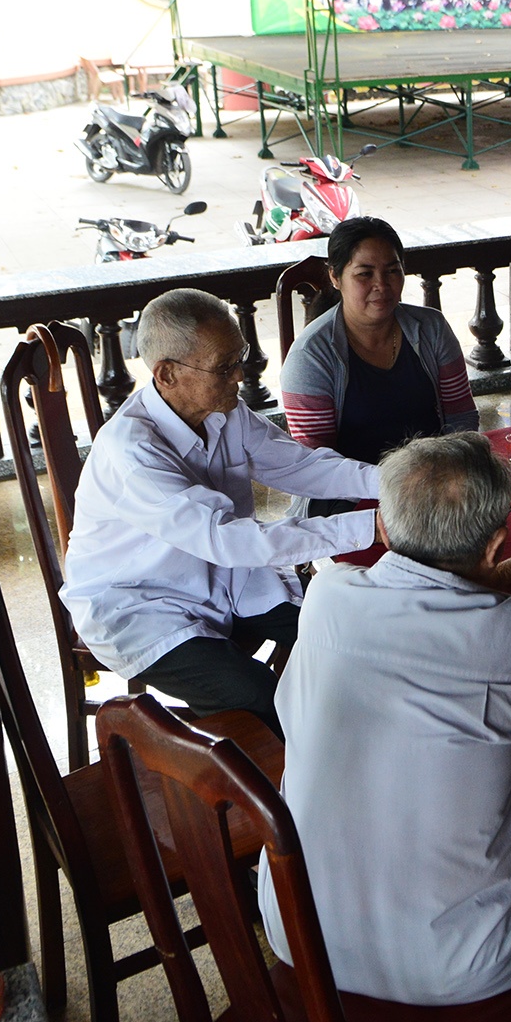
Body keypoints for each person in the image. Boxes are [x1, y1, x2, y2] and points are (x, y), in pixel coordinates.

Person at [266, 433, 511, 1022]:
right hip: (452, 963)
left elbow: (427, 615)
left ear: (384, 529)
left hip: (299, 928)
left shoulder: (327, 596)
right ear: (496, 543)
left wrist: (491, 581)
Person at [59, 287, 379, 736]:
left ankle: (357, 750)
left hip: (226, 577)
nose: (240, 376)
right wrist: (371, 526)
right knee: (259, 698)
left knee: (348, 634)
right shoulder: (131, 453)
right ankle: (283, 797)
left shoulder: (221, 412)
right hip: (141, 602)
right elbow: (229, 538)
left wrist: (393, 484)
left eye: (240, 358)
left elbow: (297, 464)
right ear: (167, 373)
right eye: (224, 366)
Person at [281, 214, 477, 462]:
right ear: (335, 277)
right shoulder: (309, 357)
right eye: (365, 274)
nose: (381, 285)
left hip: (434, 480)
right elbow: (317, 463)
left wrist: (446, 474)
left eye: (392, 271)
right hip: (349, 493)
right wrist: (394, 485)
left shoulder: (432, 329)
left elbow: (462, 416)